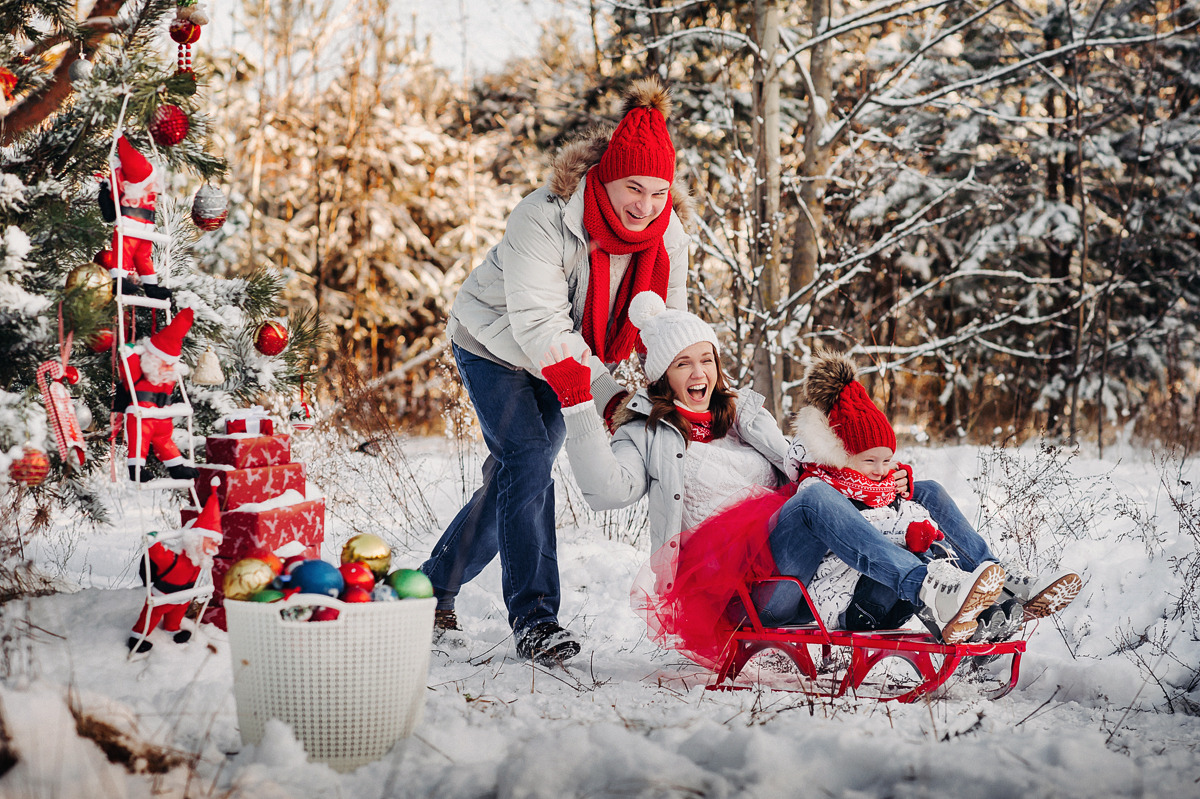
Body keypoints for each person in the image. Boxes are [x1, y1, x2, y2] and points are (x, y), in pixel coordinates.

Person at [543, 291, 1080, 669]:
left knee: (920, 489)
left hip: (800, 561)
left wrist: (873, 475)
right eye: (684, 364)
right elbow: (605, 491)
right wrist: (577, 407)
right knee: (812, 500)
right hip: (746, 592)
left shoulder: (746, 417)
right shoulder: (650, 432)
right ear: (663, 375)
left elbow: (805, 465)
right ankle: (927, 589)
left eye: (706, 358)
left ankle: (998, 587)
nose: (699, 373)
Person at [419, 77, 692, 665]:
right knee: (528, 459)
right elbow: (540, 327)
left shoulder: (668, 234)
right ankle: (536, 620)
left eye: (659, 190)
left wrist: (680, 391)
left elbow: (668, 324)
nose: (645, 205)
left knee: (514, 478)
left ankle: (428, 589)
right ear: (606, 176)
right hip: (496, 342)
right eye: (633, 187)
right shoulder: (544, 219)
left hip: (576, 360)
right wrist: (608, 395)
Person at [788, 350, 1081, 640]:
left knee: (927, 491)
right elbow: (869, 526)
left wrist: (898, 490)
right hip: (850, 599)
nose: (880, 470)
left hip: (886, 593)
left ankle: (996, 582)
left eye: (887, 460)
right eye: (869, 461)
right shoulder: (822, 487)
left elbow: (883, 487)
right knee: (919, 544)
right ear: (842, 453)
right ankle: (939, 592)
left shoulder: (875, 481)